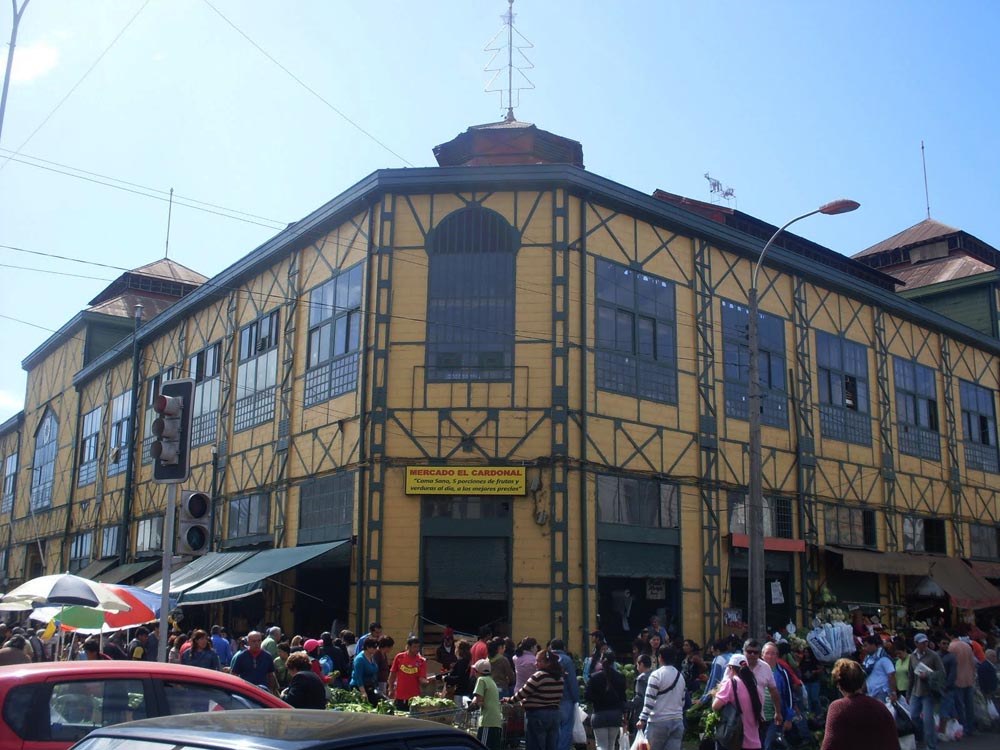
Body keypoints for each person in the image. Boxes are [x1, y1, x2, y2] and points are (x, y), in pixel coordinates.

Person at [821, 658, 898, 750]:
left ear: (839, 685)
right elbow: (893, 742)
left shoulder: (838, 708)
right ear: (862, 680)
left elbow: (829, 745)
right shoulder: (879, 706)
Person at [507, 648, 565, 750]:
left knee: (536, 745)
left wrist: (510, 700)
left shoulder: (539, 676)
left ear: (547, 663)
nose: (535, 663)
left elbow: (523, 692)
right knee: (551, 746)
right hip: (555, 714)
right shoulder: (559, 678)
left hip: (538, 715)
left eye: (538, 661)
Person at [636, 644, 685, 750]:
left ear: (660, 657)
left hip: (658, 722)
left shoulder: (656, 675)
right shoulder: (680, 677)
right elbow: (683, 701)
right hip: (677, 721)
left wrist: (642, 719)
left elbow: (649, 701)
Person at [712, 654, 762, 750]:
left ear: (730, 668)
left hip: (737, 741)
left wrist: (716, 692)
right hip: (755, 743)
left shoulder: (731, 683)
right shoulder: (754, 686)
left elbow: (715, 706)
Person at [742, 639, 782, 747]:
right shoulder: (736, 666)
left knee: (760, 745)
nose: (752, 655)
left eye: (756, 652)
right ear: (743, 651)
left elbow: (773, 691)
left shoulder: (765, 667)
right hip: (739, 717)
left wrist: (778, 712)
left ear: (759, 654)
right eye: (749, 652)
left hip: (758, 717)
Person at [908, 632, 944, 750]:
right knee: (913, 716)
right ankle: (923, 737)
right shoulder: (912, 656)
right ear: (916, 643)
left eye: (926, 642)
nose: (925, 644)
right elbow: (911, 676)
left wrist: (928, 674)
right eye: (922, 643)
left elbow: (942, 672)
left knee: (928, 719)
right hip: (916, 691)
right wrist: (908, 694)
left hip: (928, 692)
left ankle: (931, 745)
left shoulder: (933, 655)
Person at [585, 654, 627, 750]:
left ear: (601, 661)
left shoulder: (594, 677)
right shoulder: (620, 677)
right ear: (614, 663)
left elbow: (587, 696)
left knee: (600, 745)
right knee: (611, 745)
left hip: (599, 714)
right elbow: (623, 698)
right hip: (616, 715)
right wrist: (625, 716)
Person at [761, 641, 795, 750]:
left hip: (775, 718)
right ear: (762, 655)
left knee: (769, 746)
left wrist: (789, 718)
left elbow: (789, 696)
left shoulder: (782, 673)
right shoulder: (756, 671)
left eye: (773, 653)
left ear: (777, 656)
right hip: (758, 718)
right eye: (767, 653)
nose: (770, 656)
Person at [549, 638, 579, 750]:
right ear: (564, 648)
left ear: (550, 647)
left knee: (553, 729)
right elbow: (572, 681)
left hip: (548, 700)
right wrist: (576, 699)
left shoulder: (546, 659)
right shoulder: (567, 660)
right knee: (566, 727)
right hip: (565, 698)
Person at [231, 631, 280, 695]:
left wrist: (270, 691)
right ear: (248, 642)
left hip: (263, 692)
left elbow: (271, 675)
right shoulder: (241, 656)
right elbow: (234, 675)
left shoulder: (267, 656)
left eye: (259, 641)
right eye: (254, 641)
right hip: (246, 692)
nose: (257, 643)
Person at [388, 635, 428, 711]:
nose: (417, 649)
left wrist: (427, 682)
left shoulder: (421, 661)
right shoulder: (399, 657)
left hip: (414, 697)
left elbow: (422, 677)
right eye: (414, 647)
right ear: (408, 647)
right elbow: (392, 674)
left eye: (418, 647)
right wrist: (390, 688)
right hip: (400, 695)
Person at [470, 658, 503, 750]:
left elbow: (479, 701)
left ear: (478, 672)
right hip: (496, 721)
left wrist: (470, 707)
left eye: (475, 671)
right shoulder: (491, 681)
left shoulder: (481, 680)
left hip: (487, 721)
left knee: (483, 747)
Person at [949, 632, 977, 737]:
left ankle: (962, 727)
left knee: (960, 705)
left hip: (958, 679)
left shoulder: (952, 647)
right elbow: (972, 663)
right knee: (969, 705)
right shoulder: (967, 646)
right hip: (969, 678)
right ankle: (970, 727)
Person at [862, 635, 897, 702]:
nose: (864, 648)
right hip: (870, 693)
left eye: (866, 645)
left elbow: (891, 675)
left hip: (882, 693)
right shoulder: (867, 660)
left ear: (873, 645)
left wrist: (893, 692)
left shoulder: (884, 658)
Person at [350, 636, 381, 705]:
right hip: (359, 687)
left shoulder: (371, 656)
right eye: (374, 647)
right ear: (367, 647)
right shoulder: (360, 659)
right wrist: (363, 692)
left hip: (369, 685)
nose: (376, 649)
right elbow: (359, 677)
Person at [628, 654, 652, 741]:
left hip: (641, 713)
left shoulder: (641, 678)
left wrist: (628, 704)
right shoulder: (655, 675)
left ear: (641, 664)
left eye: (637, 664)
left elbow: (639, 698)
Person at [797, 645, 823, 714]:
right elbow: (799, 670)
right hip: (805, 682)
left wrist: (815, 672)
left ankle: (819, 713)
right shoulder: (802, 662)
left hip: (814, 682)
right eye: (805, 652)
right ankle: (810, 714)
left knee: (814, 698)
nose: (806, 654)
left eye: (807, 652)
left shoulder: (814, 661)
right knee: (807, 699)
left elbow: (821, 669)